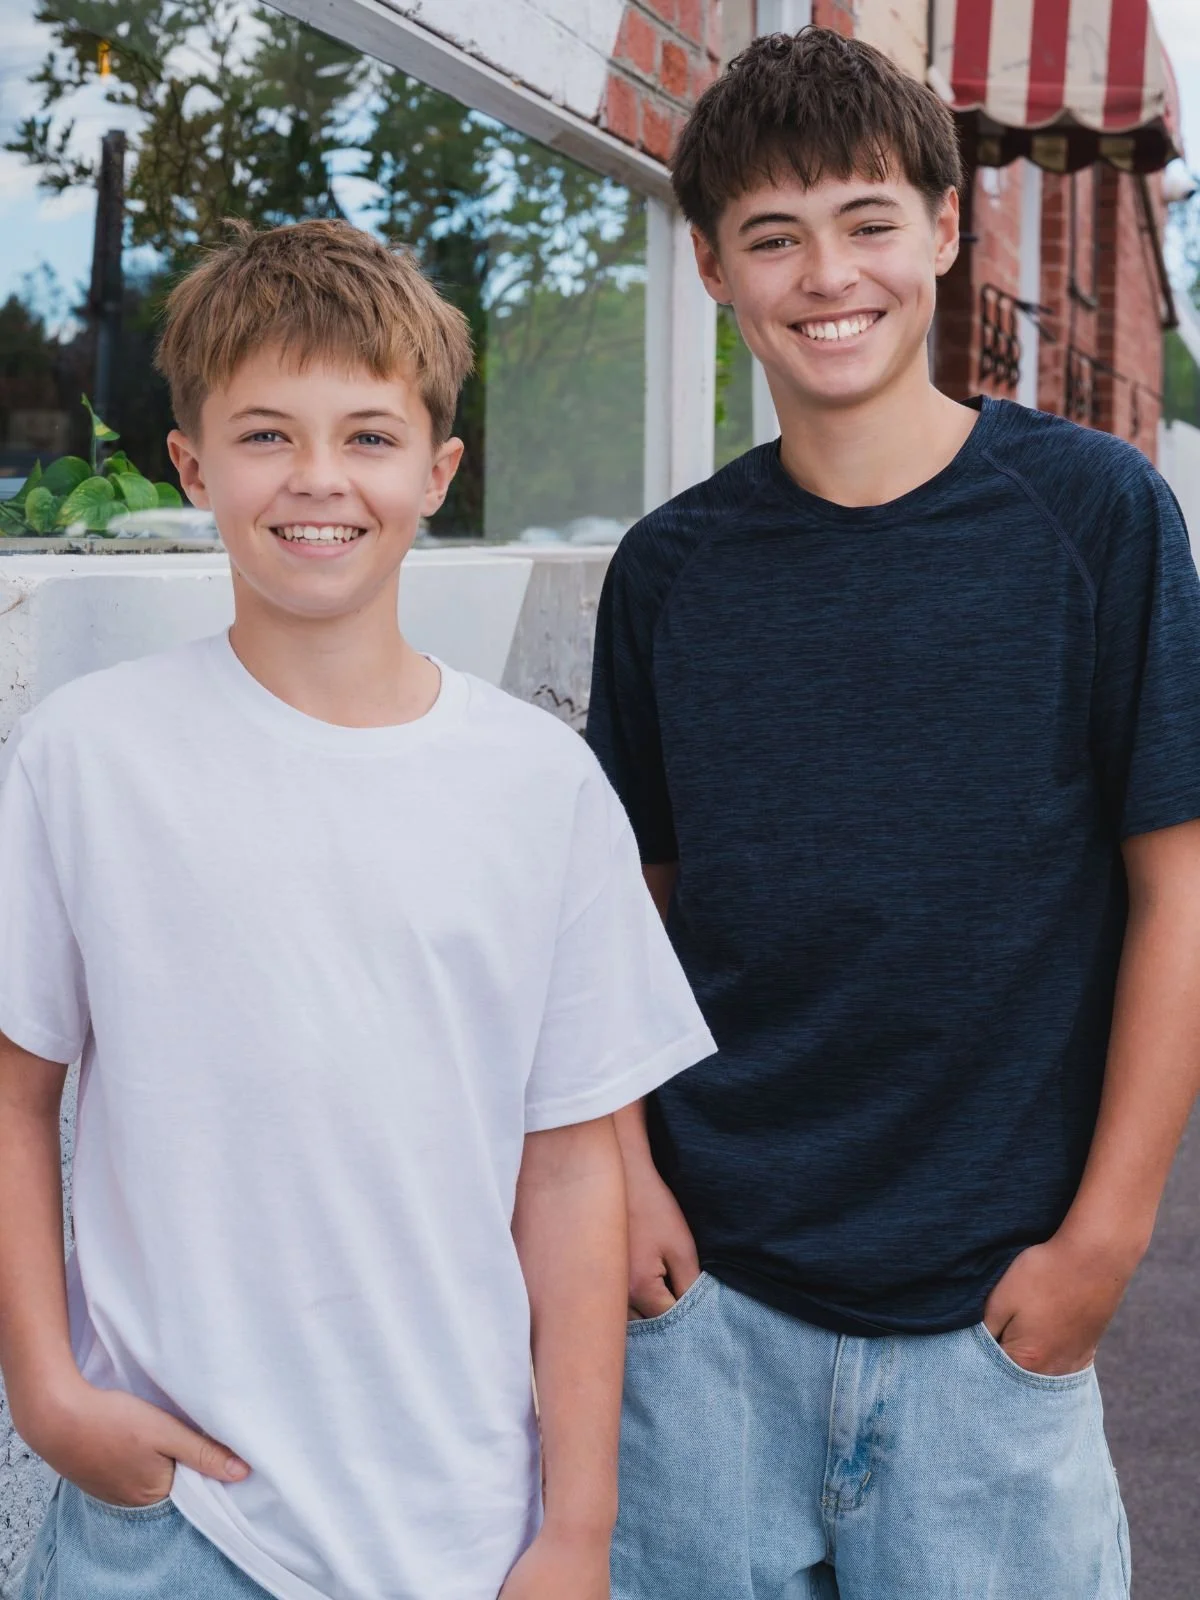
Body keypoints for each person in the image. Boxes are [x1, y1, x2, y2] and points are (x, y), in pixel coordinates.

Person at [0, 217, 714, 1600]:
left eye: (369, 437)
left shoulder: (539, 785)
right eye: (266, 436)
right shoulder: (86, 757)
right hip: (176, 1527)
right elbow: (14, 1091)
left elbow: (572, 1177)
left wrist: (577, 1527)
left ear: (439, 472)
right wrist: (44, 1388)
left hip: (459, 1529)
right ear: (191, 467)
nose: (318, 479)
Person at [586, 26, 1200, 1600]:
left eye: (865, 221)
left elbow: (1177, 891)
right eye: (771, 237)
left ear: (944, 227)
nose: (825, 274)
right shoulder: (667, 571)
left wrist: (1107, 1242)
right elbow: (614, 916)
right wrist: (632, 1182)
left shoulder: (1095, 517)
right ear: (712, 269)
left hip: (994, 1317)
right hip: (710, 1315)